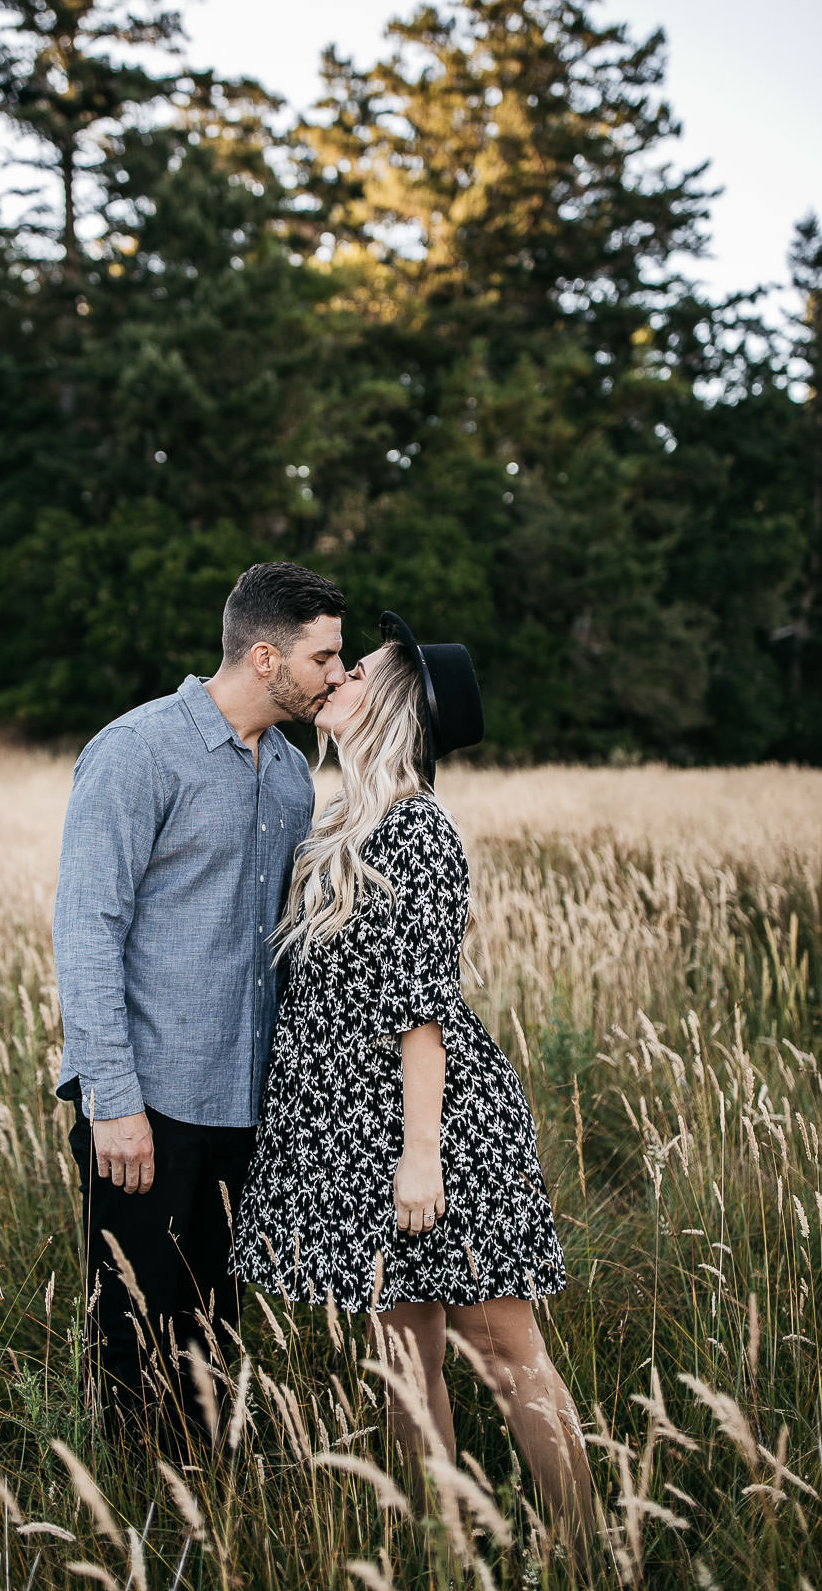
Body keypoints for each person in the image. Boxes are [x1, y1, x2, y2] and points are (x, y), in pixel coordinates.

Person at [235, 612, 594, 1553]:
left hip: (432, 1133)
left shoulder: (418, 831)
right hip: (360, 1133)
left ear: (388, 704)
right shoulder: (345, 822)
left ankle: (591, 1549)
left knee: (506, 1354)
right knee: (404, 1360)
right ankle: (439, 1548)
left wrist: (420, 1156)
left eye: (354, 675)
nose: (334, 682)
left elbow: (420, 1010)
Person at [53, 561, 346, 1435]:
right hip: (148, 1103)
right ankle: (133, 1523)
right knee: (132, 1330)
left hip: (244, 1104)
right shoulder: (137, 751)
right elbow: (87, 928)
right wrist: (112, 1104)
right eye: (325, 658)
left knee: (211, 1330)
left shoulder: (293, 773)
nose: (337, 675)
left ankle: (206, 1503)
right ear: (266, 657)